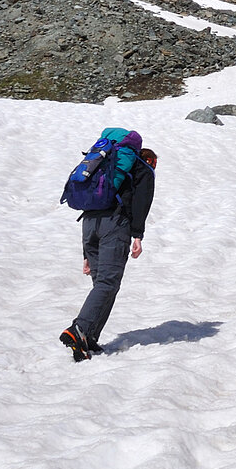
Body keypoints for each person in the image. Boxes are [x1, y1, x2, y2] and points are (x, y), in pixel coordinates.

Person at [60, 132, 155, 361]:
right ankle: (79, 329)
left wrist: (86, 253)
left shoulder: (103, 163)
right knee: (107, 283)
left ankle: (89, 338)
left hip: (89, 224)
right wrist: (138, 236)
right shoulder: (142, 168)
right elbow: (141, 201)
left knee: (103, 285)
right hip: (115, 224)